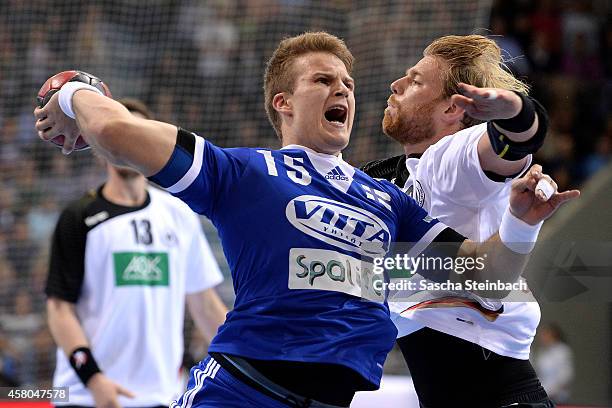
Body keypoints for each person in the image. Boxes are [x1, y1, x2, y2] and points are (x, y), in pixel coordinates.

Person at [35, 32, 578, 408]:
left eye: (346, 82)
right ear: (284, 103)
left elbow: (484, 275)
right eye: (322, 80)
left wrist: (521, 222)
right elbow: (114, 132)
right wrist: (74, 89)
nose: (343, 89)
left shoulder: (385, 201)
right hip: (240, 390)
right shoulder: (243, 171)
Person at [362, 34, 558, 407]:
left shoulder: (454, 157)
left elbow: (513, 145)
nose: (396, 85)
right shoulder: (393, 176)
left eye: (416, 81)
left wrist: (516, 113)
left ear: (452, 110)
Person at [45, 98, 228, 408]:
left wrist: (247, 363)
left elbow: (205, 304)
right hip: (87, 396)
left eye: (135, 134)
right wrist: (93, 379)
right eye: (118, 133)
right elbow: (60, 310)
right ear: (100, 142)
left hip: (162, 395)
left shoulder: (179, 214)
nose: (126, 145)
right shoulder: (79, 217)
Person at [534, 323, 574, 403]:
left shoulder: (562, 351)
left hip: (558, 397)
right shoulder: (542, 351)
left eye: (545, 334)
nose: (541, 337)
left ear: (553, 335)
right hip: (544, 394)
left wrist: (551, 391)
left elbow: (565, 376)